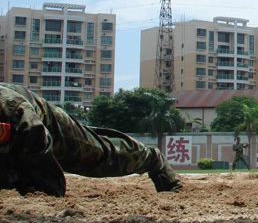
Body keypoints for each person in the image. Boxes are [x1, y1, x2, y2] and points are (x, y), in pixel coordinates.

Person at [0, 83, 182, 196]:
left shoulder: (13, 111)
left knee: (100, 154)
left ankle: (152, 158)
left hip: (46, 123)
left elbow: (48, 186)